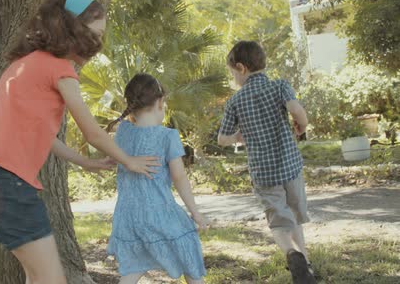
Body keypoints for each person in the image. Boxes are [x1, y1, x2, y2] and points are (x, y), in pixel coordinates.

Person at [0, 0, 160, 284]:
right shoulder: (60, 69)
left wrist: (85, 163)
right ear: (73, 29)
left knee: (37, 277)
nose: (98, 44)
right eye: (96, 34)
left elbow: (43, 136)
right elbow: (92, 132)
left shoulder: (23, 65)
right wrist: (129, 161)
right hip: (7, 183)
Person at [217, 41, 316, 284]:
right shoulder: (280, 86)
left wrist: (238, 136)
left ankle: (292, 255)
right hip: (290, 166)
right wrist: (301, 126)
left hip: (264, 173)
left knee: (279, 221)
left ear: (241, 68)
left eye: (232, 73)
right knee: (294, 215)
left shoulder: (235, 102)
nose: (234, 79)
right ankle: (306, 262)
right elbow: (297, 111)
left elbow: (221, 139)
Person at [106, 73, 207, 284]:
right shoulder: (167, 136)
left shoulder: (123, 132)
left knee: (134, 265)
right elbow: (179, 178)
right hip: (158, 211)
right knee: (187, 241)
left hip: (128, 215)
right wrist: (195, 212)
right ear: (160, 103)